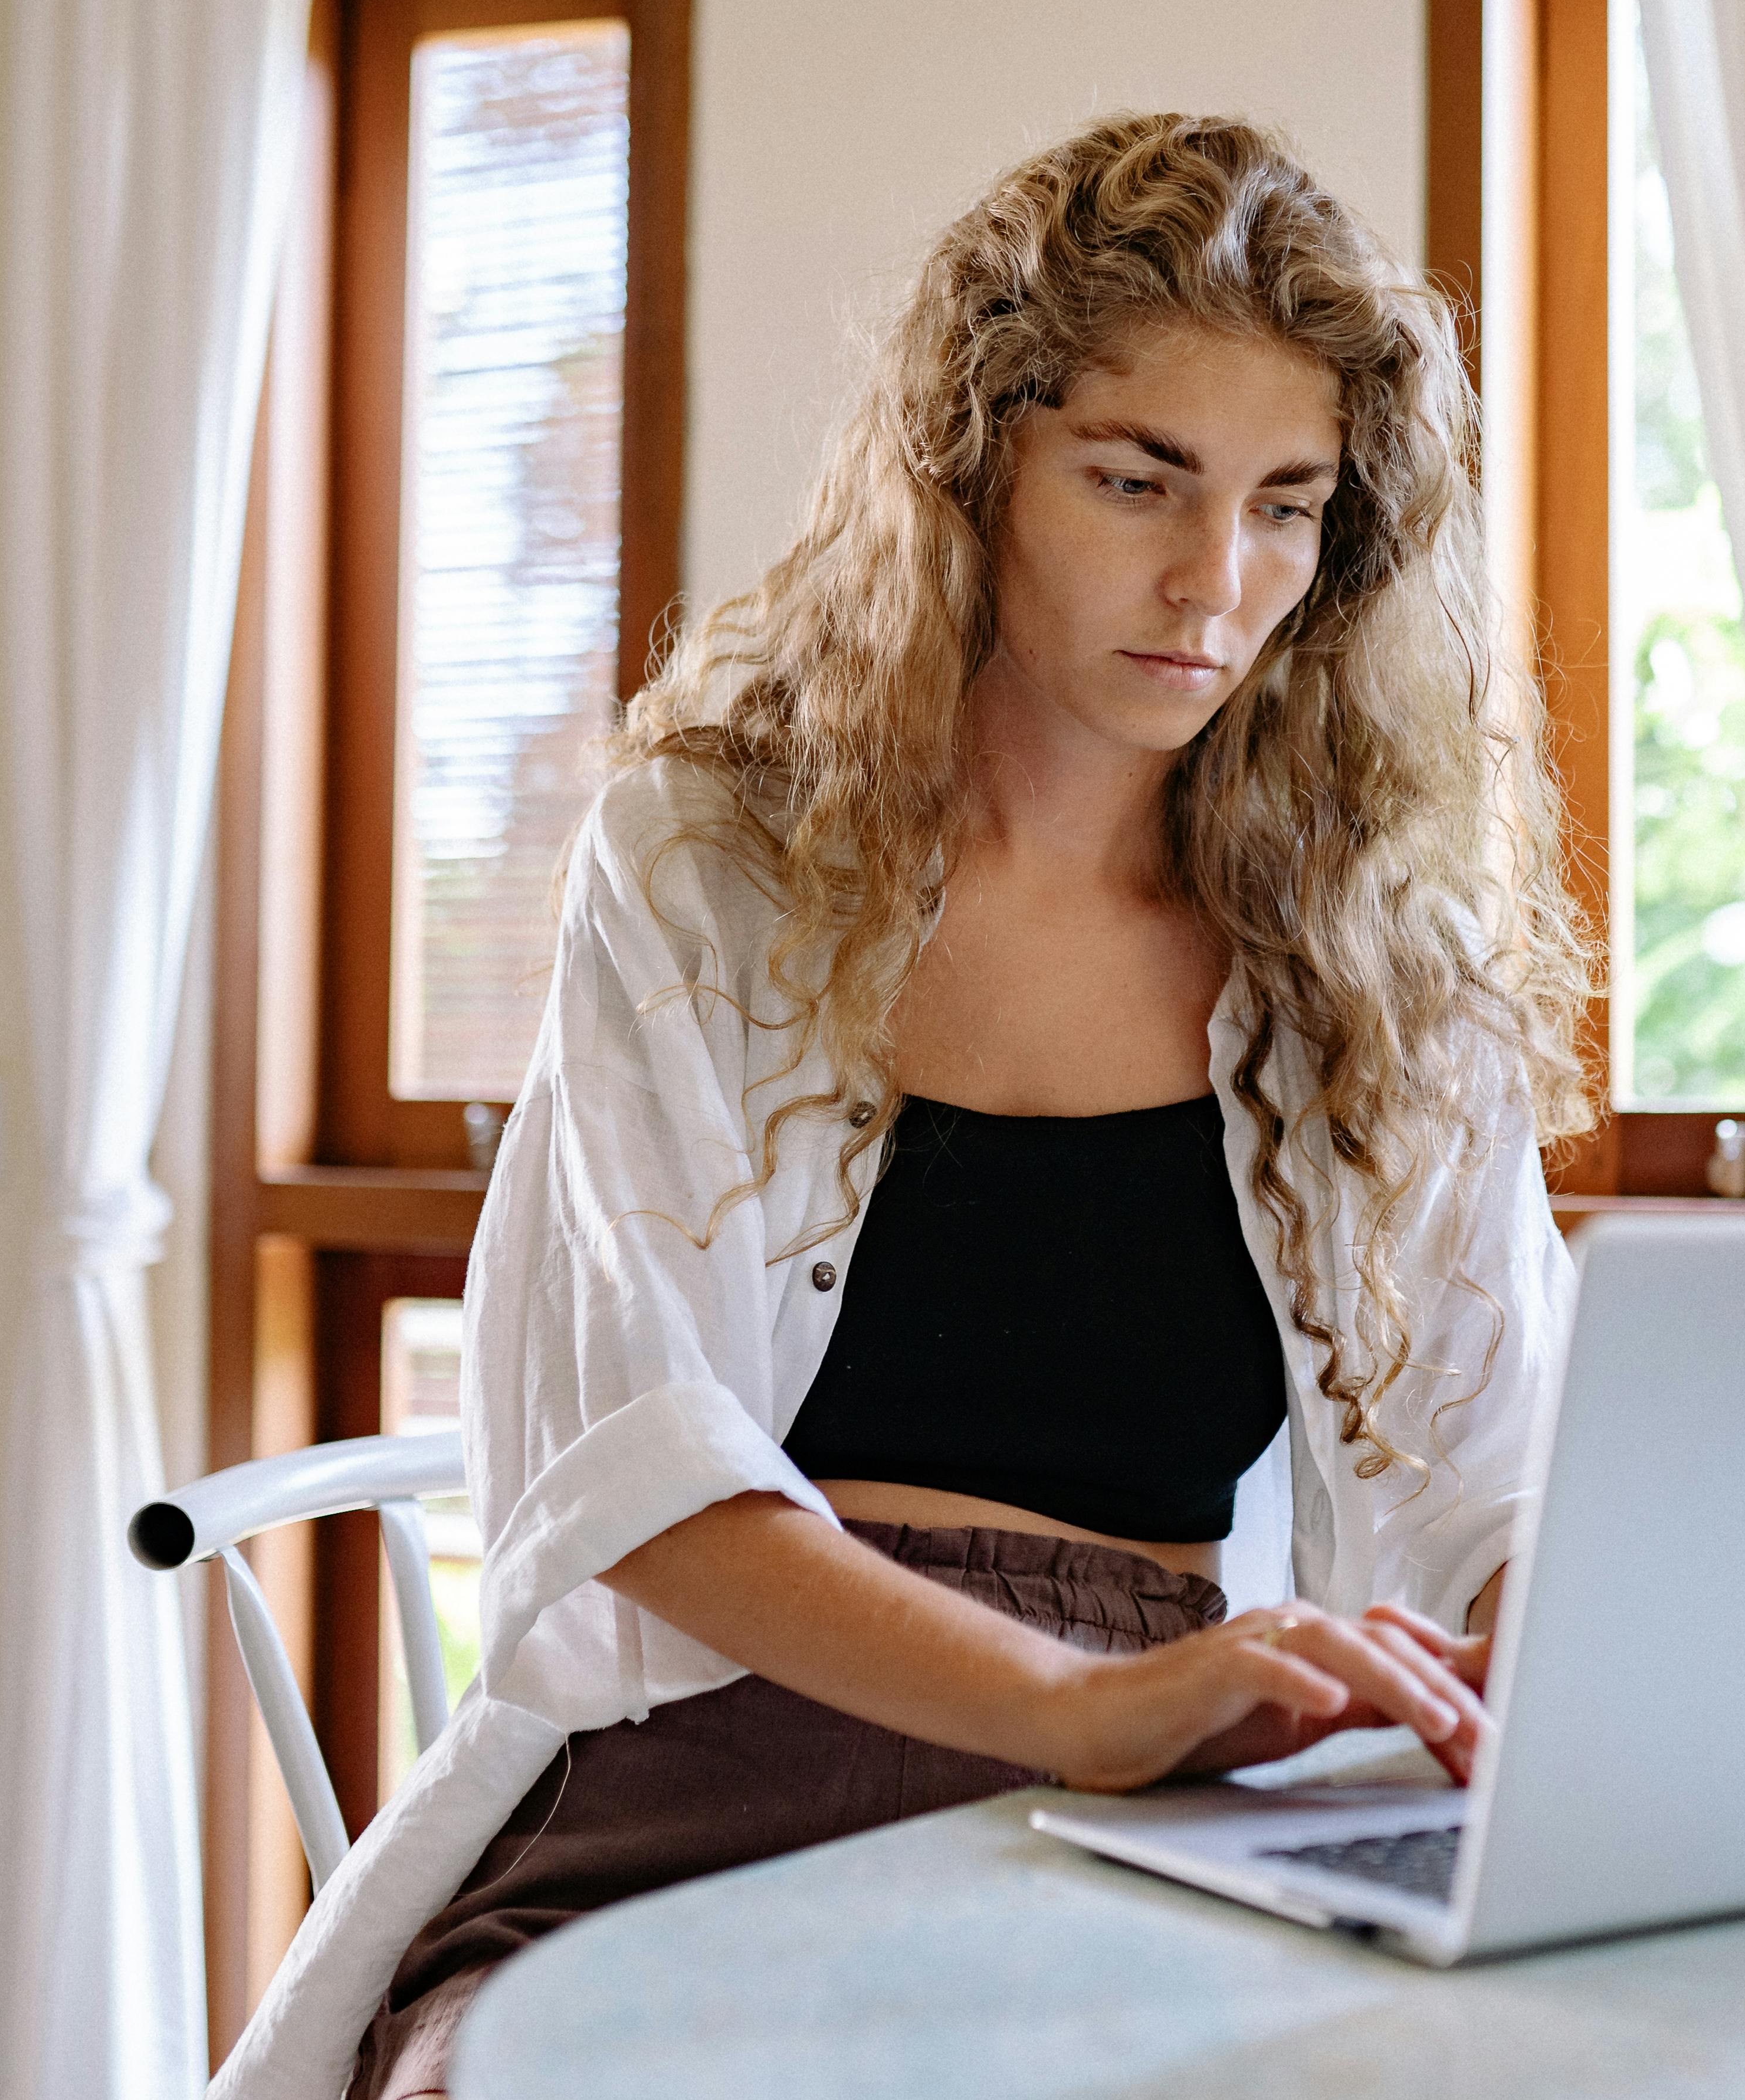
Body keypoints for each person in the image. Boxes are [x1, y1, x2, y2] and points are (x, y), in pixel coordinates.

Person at [214, 111, 1595, 2100]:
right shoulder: (707, 864)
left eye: (1288, 505)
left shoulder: (1378, 946)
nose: (1218, 581)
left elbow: (1492, 1475)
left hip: (1163, 1805)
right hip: (735, 1745)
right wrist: (1084, 1702)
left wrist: (1581, 1701)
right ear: (978, 471)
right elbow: (639, 1477)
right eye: (1141, 481)